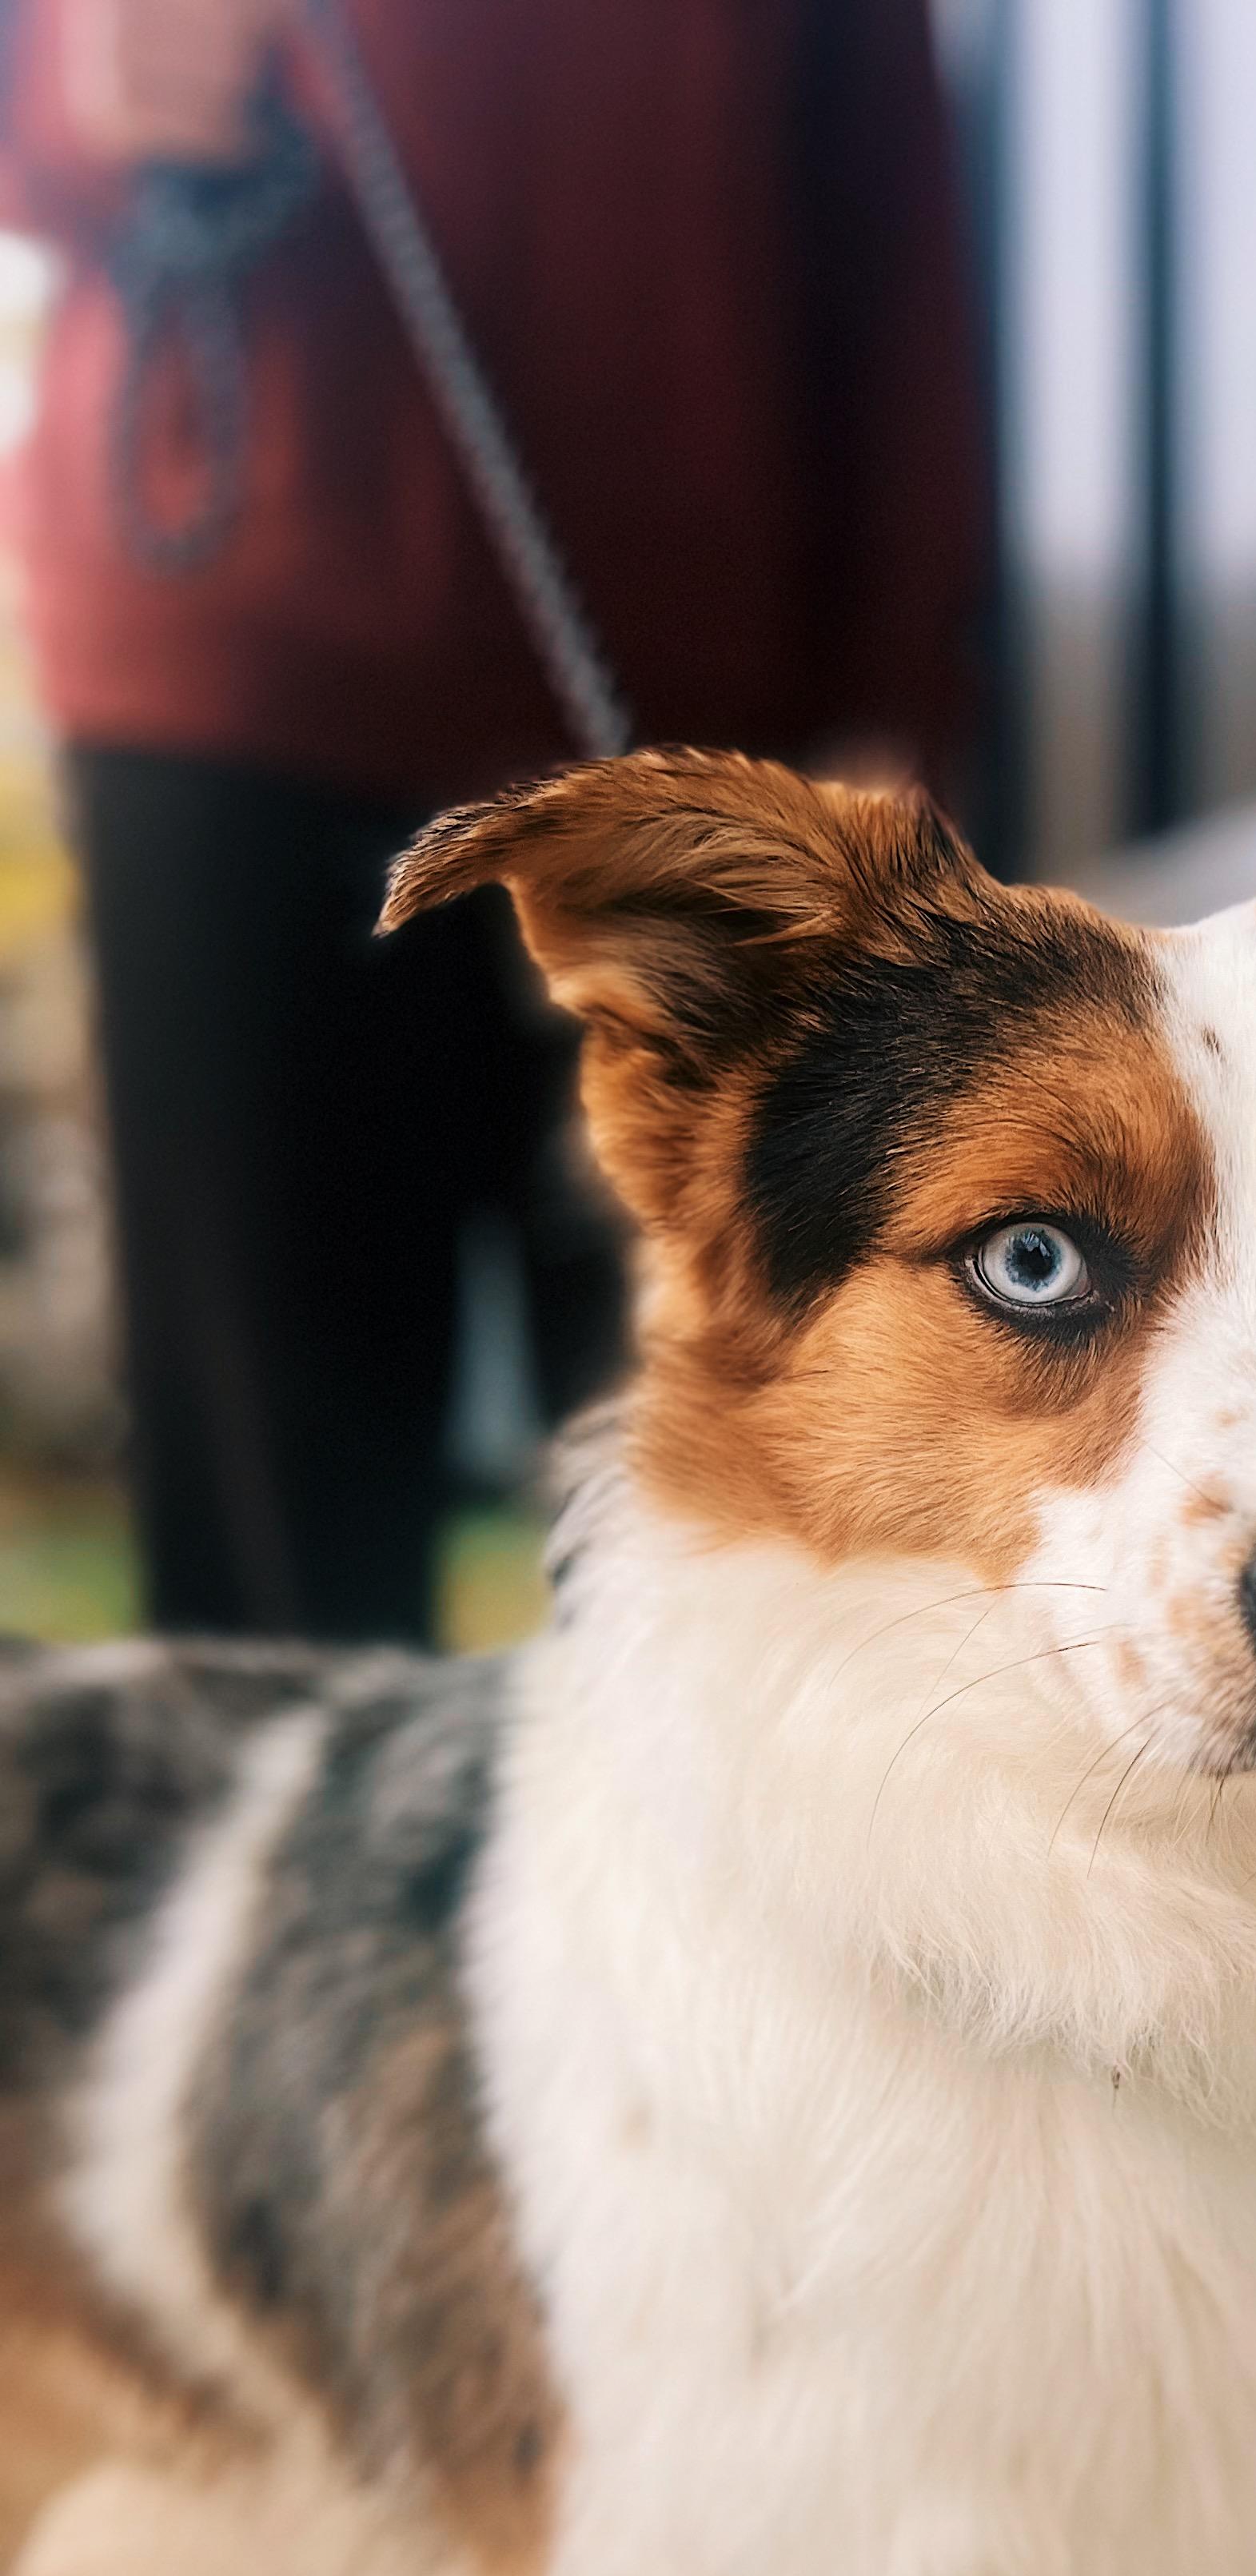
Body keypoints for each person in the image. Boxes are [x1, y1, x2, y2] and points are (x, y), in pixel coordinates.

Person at [0, 0, 987, 1642]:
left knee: (719, 1511)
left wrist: (908, 681)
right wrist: (71, 88)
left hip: (699, 730)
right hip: (242, 670)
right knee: (268, 1536)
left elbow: (887, 193)